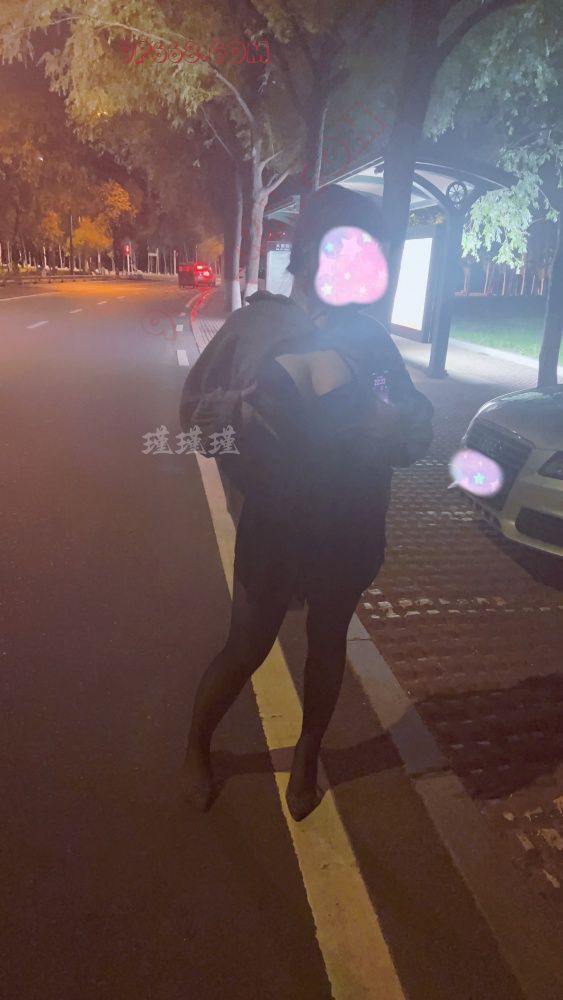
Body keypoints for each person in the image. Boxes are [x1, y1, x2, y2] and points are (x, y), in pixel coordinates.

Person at [179, 185, 434, 820]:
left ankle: (307, 757)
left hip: (349, 523)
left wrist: (396, 422)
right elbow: (194, 413)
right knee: (246, 645)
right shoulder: (256, 327)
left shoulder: (370, 341)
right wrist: (236, 412)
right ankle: (197, 746)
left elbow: (407, 419)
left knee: (328, 643)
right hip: (275, 524)